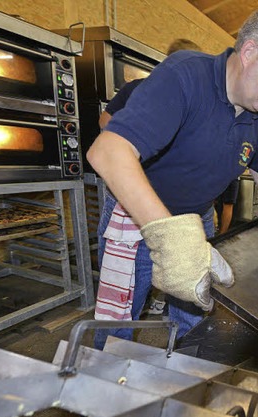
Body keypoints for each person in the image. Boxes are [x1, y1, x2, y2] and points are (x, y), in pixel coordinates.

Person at [87, 5, 258, 349]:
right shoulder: (185, 77)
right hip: (141, 221)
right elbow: (107, 151)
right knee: (120, 320)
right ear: (249, 51)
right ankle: (104, 384)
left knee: (194, 319)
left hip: (198, 222)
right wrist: (172, 239)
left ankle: (184, 376)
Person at [97, 39, 202, 317]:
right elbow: (105, 123)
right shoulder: (138, 88)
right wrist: (136, 142)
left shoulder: (195, 99)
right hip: (136, 196)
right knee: (127, 284)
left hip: (182, 201)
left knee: (186, 281)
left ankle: (179, 335)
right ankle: (114, 346)